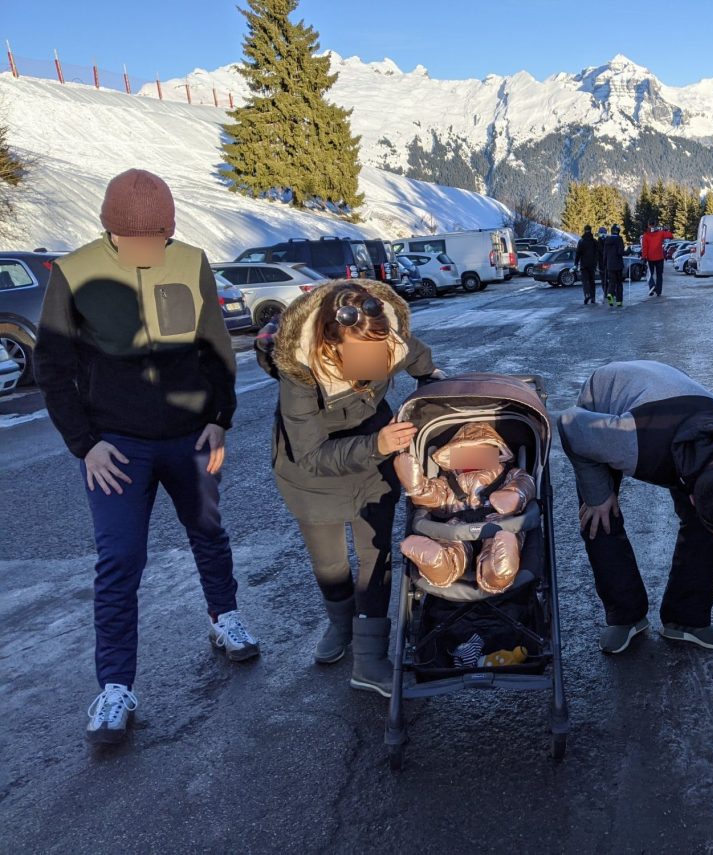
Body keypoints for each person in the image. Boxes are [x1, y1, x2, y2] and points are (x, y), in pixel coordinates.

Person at [35, 168, 258, 744]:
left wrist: (218, 419)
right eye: (137, 238)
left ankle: (224, 618)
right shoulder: (75, 271)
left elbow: (215, 346)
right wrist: (85, 445)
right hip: (117, 447)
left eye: (158, 235)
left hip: (190, 437)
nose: (149, 246)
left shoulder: (191, 260)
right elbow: (52, 368)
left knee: (209, 532)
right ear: (110, 230)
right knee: (119, 562)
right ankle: (115, 688)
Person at [267, 280, 439, 697]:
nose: (375, 362)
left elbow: (417, 357)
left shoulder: (388, 339)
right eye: (361, 357)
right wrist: (376, 444)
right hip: (311, 471)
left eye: (380, 354)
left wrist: (433, 381)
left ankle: (370, 658)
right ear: (330, 345)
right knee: (330, 563)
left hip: (374, 460)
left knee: (374, 556)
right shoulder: (299, 371)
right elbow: (310, 455)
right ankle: (340, 626)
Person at [557, 360, 713, 653]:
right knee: (599, 514)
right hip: (607, 402)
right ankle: (625, 618)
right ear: (689, 497)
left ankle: (685, 620)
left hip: (673, 393)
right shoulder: (631, 443)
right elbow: (572, 425)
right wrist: (598, 495)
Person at [396, 422, 536, 593]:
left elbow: (525, 482)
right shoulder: (448, 481)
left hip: (497, 525)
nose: (473, 459)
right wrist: (417, 488)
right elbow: (435, 496)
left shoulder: (507, 474)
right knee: (451, 549)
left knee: (502, 543)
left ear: (496, 454)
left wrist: (514, 495)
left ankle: (498, 572)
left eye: (481, 454)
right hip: (456, 529)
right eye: (465, 455)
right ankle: (436, 562)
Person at [641, 221, 674, 297]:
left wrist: (644, 257)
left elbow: (644, 247)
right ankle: (659, 291)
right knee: (659, 275)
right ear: (655, 225)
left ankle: (652, 287)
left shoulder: (645, 235)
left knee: (650, 274)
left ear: (648, 225)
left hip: (650, 258)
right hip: (659, 257)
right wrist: (666, 230)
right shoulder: (660, 233)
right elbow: (670, 236)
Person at [602, 224, 626, 308]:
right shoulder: (619, 239)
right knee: (619, 283)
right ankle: (619, 301)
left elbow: (604, 253)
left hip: (610, 265)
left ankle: (609, 294)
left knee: (612, 282)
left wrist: (604, 264)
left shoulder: (607, 240)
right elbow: (621, 252)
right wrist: (628, 251)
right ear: (618, 231)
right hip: (618, 265)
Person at [575, 225, 599, 305]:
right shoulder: (594, 241)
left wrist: (576, 263)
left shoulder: (581, 241)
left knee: (585, 281)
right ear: (591, 230)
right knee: (592, 281)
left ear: (584, 230)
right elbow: (598, 253)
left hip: (584, 265)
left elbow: (578, 253)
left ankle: (587, 294)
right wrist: (596, 263)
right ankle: (593, 298)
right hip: (592, 265)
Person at [596, 227, 609, 303]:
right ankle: (606, 292)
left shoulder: (607, 241)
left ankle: (609, 291)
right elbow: (598, 253)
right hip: (602, 263)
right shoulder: (599, 242)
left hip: (607, 262)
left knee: (609, 278)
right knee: (603, 278)